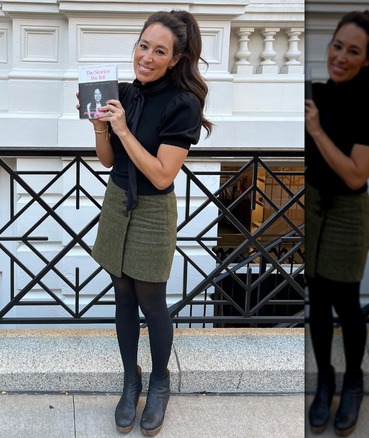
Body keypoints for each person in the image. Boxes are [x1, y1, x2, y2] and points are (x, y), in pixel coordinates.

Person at [76, 9, 212, 436]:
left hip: (153, 210)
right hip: (117, 201)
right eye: (143, 45)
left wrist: (124, 129)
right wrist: (102, 127)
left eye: (159, 51)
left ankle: (158, 381)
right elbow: (109, 160)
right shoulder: (124, 94)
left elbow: (161, 174)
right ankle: (129, 379)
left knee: (151, 301)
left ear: (175, 59)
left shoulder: (183, 103)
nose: (147, 57)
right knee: (122, 295)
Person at [304, 10, 369, 436]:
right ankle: (325, 377)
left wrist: (316, 129)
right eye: (337, 45)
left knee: (345, 300)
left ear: (368, 59)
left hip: (346, 211)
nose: (340, 57)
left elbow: (354, 174)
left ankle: (352, 381)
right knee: (318, 300)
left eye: (353, 51)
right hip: (311, 205)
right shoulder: (316, 92)